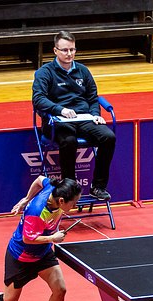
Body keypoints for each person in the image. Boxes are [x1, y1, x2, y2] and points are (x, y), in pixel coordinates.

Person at [32, 31, 115, 201]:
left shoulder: (83, 71)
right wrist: (59, 109)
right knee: (69, 141)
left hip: (83, 118)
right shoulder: (44, 72)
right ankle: (69, 189)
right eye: (65, 50)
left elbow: (93, 97)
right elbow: (38, 99)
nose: (69, 54)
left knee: (108, 137)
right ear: (55, 50)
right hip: (57, 121)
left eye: (72, 49)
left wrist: (95, 114)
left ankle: (98, 187)